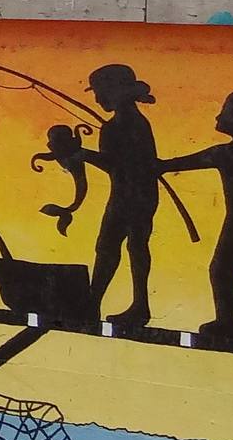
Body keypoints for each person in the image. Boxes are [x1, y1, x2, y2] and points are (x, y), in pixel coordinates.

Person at [45, 64, 162, 326]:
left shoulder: (130, 124)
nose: (97, 99)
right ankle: (93, 303)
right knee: (108, 247)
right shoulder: (116, 125)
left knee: (132, 246)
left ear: (116, 92)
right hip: (124, 193)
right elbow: (115, 165)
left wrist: (84, 155)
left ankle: (137, 305)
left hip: (137, 195)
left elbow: (122, 164)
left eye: (100, 92)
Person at [157, 91, 233, 340]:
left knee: (222, 268)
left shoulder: (230, 152)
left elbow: (188, 161)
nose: (219, 115)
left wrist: (160, 166)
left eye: (226, 111)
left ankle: (232, 321)